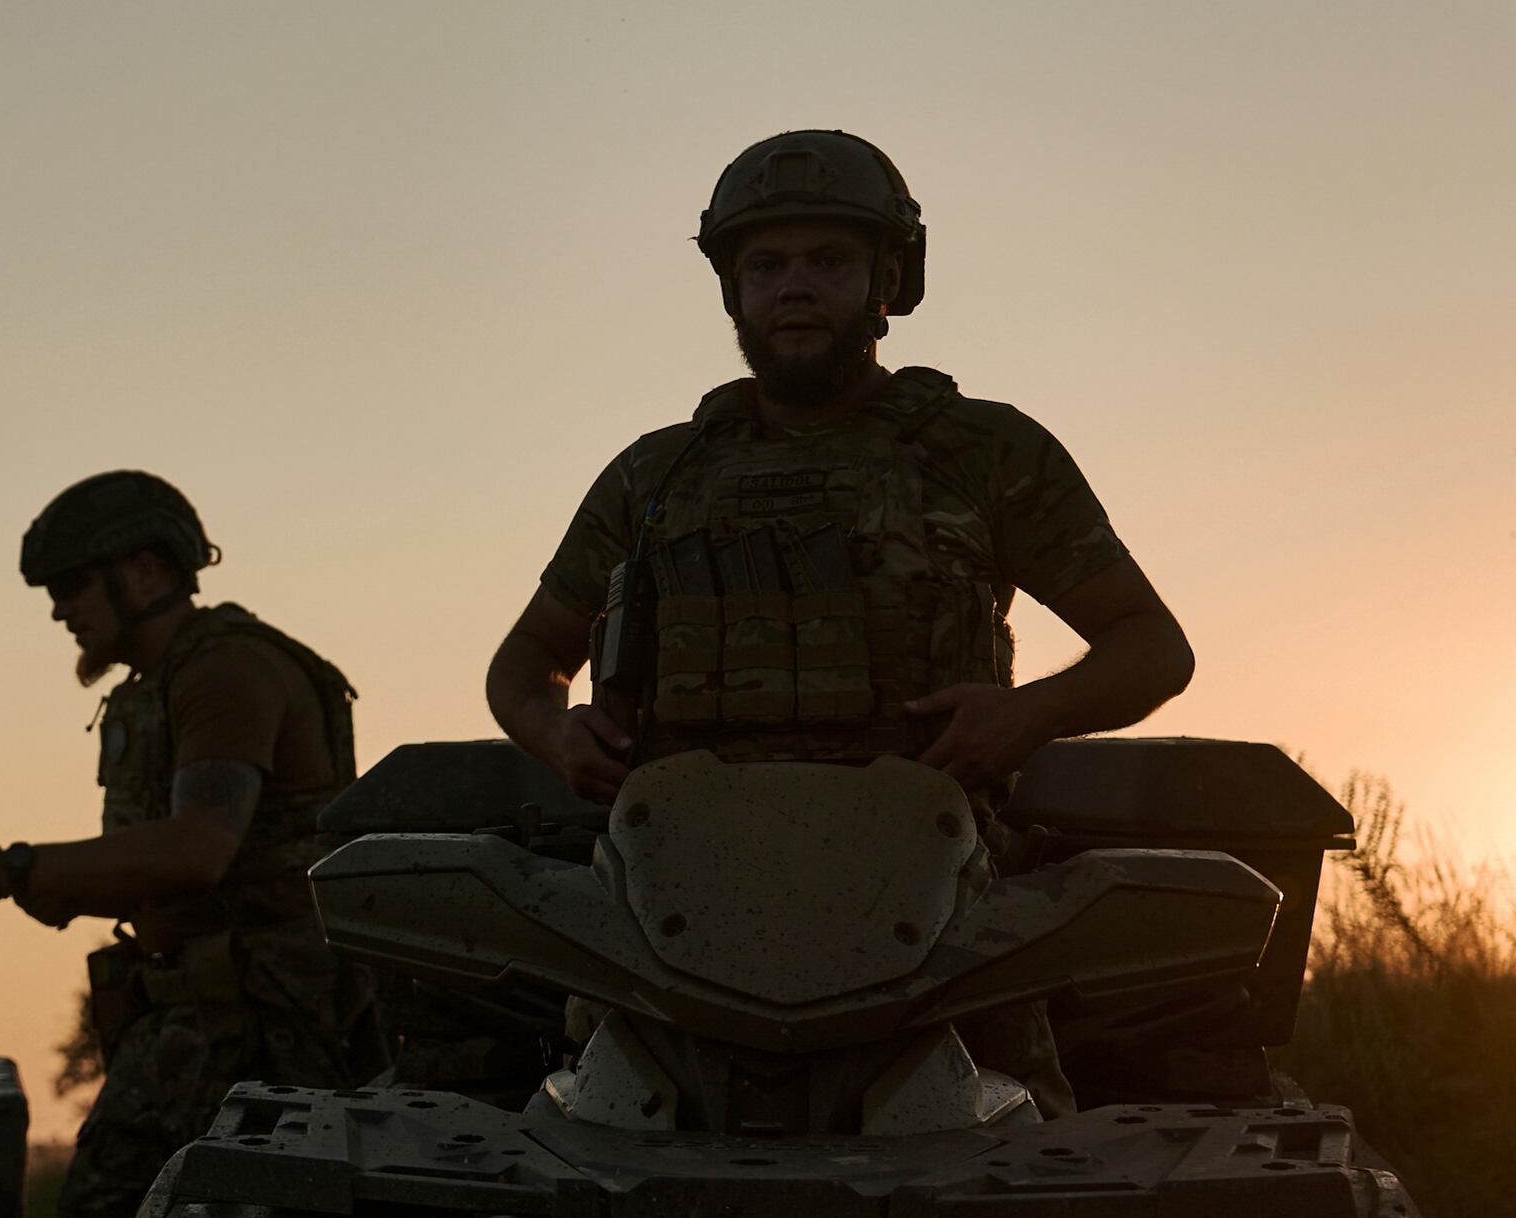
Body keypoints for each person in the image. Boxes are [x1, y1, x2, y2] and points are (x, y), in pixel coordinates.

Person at [483, 130, 1195, 1107]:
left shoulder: (985, 453)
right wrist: (557, 733)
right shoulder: (656, 476)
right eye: (766, 264)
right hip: (666, 913)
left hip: (939, 915)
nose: (795, 286)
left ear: (887, 280)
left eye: (828, 260)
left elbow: (1150, 647)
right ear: (732, 290)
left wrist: (1025, 716)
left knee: (1021, 1181)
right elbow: (523, 667)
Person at [0, 470, 377, 1218]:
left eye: (72, 584)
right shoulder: (161, 685)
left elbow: (197, 850)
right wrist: (58, 885)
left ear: (144, 572)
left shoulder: (226, 669)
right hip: (204, 1010)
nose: (57, 610)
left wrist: (3, 868)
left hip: (262, 1026)